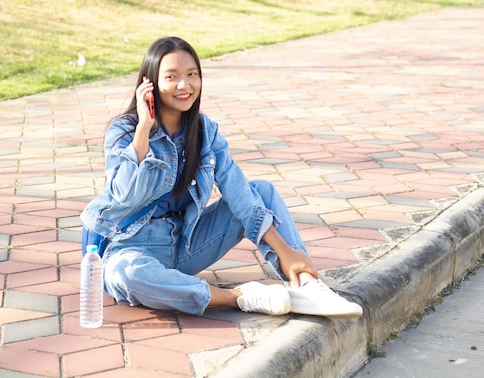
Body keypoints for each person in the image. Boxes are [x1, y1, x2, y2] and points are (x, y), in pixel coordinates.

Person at [80, 36, 362, 318]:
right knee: (125, 275)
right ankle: (238, 297)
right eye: (171, 77)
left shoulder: (204, 131)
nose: (185, 85)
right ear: (149, 84)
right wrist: (144, 128)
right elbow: (123, 194)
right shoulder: (124, 131)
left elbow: (236, 190)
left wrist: (284, 250)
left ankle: (306, 284)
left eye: (192, 75)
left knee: (260, 190)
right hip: (130, 249)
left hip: (184, 246)